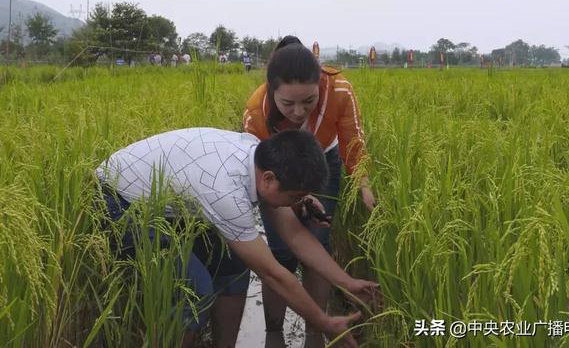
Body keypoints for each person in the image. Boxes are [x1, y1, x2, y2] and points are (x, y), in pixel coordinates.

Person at [97, 127, 378, 348]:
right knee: (194, 291)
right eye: (294, 197)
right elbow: (273, 274)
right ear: (268, 179)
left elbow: (295, 236)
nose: (296, 204)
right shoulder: (226, 192)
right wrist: (323, 322)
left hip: (163, 203)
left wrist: (347, 281)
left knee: (232, 263)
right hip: (116, 202)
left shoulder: (256, 157)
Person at [243, 36, 377, 344]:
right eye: (288, 104)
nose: (299, 112)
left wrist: (363, 185)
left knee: (317, 238)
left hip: (322, 160)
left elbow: (352, 140)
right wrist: (293, 201)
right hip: (276, 166)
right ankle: (273, 331)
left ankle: (318, 331)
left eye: (309, 101)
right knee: (278, 252)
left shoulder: (340, 90)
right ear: (271, 90)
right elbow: (262, 176)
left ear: (320, 84)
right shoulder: (257, 113)